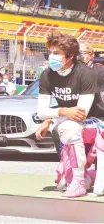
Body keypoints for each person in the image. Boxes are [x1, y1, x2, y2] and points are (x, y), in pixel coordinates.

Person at [35, 31, 104, 198]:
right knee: (65, 126)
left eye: (56, 53)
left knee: (68, 127)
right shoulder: (46, 75)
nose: (51, 57)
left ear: (71, 56)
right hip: (68, 118)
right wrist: (55, 116)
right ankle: (83, 177)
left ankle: (79, 182)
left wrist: (53, 117)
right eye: (49, 53)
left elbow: (81, 114)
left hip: (96, 121)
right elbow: (41, 111)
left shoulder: (86, 74)